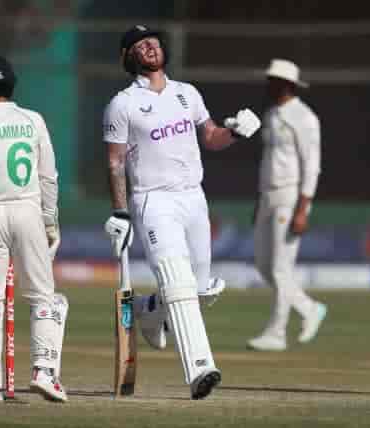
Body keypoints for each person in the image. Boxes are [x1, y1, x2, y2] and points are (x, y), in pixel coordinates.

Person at [103, 25, 261, 399]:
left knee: (201, 288)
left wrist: (235, 131)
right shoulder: (122, 103)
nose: (150, 47)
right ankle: (200, 370)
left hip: (193, 198)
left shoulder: (186, 93)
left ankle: (149, 310)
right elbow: (114, 162)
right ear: (128, 57)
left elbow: (210, 137)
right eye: (141, 45)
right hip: (153, 201)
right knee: (178, 282)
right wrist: (120, 212)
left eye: (154, 42)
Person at [0, 55, 68, 402]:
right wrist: (50, 220)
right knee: (41, 294)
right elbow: (48, 177)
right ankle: (44, 372)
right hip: (28, 211)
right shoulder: (32, 120)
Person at [247, 59, 327, 352]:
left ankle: (277, 333)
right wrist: (259, 199)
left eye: (274, 80)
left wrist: (303, 208)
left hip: (290, 197)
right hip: (267, 196)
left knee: (281, 269)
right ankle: (308, 308)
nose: (268, 84)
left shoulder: (304, 117)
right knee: (263, 265)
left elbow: (313, 165)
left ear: (288, 85)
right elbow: (268, 162)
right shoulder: (270, 115)